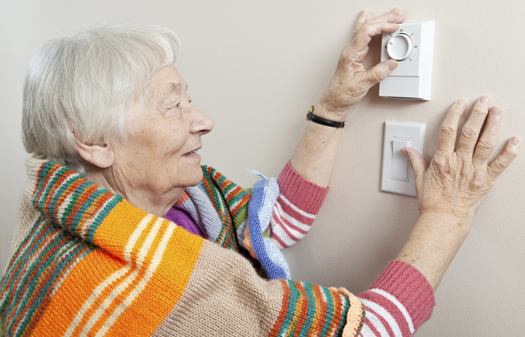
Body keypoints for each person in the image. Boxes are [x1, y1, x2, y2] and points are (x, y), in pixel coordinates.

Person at [0, 8, 520, 337]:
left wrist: (333, 106)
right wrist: (449, 212)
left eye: (191, 98)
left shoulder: (173, 206)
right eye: (172, 106)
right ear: (92, 142)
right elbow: (371, 332)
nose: (203, 121)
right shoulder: (138, 286)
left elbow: (273, 226)